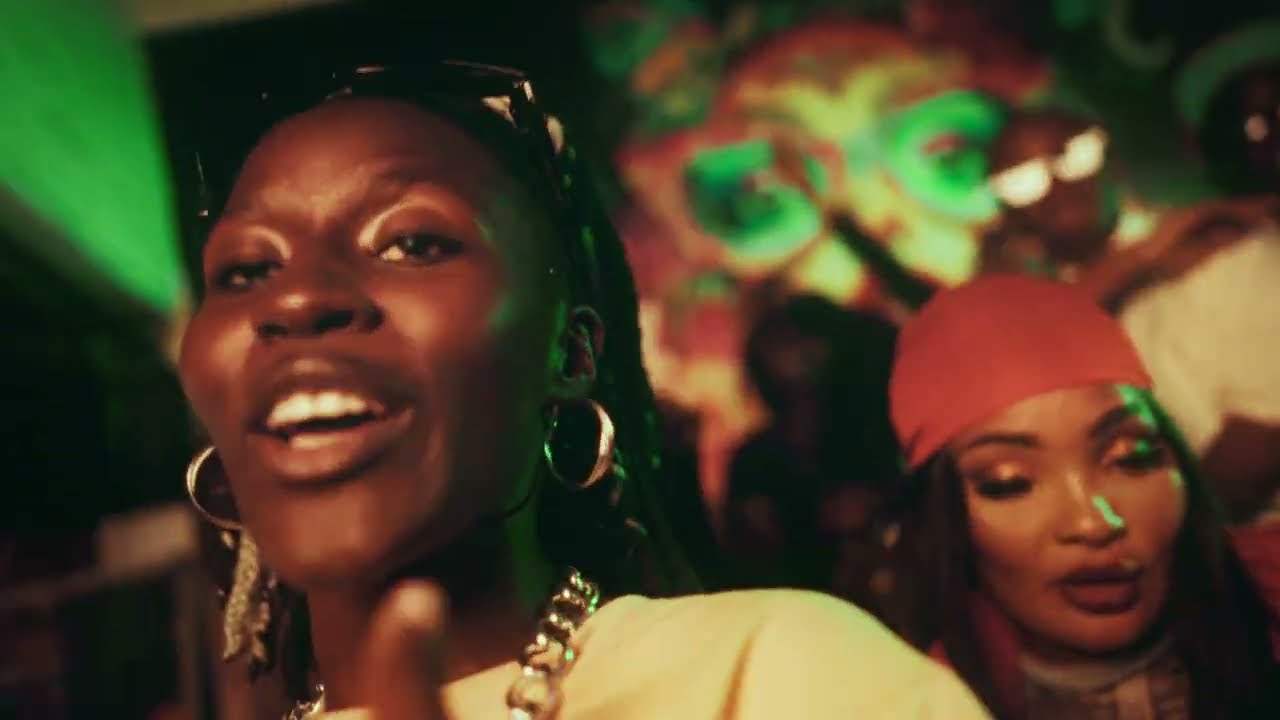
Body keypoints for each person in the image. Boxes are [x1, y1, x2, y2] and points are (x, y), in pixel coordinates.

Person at [172, 60, 989, 719]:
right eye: (245, 269)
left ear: (570, 350)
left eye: (411, 242)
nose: (296, 298)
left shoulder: (787, 677)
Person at [889, 274, 1280, 719]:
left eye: (1130, 459)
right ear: (944, 519)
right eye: (1010, 482)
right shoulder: (921, 705)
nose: (1094, 522)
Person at [982, 106, 1280, 523]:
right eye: (1022, 181)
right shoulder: (1021, 319)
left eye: (1074, 155)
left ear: (1113, 158)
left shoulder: (1226, 253)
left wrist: (1167, 539)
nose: (1058, 185)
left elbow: (1263, 436)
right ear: (1005, 209)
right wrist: (1144, 257)